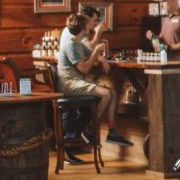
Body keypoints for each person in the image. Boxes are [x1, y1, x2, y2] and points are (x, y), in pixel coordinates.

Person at [57, 13, 134, 148]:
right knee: (106, 94)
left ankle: (112, 131)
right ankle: (89, 128)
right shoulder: (71, 45)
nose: (90, 27)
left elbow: (90, 53)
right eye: (88, 25)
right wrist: (97, 50)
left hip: (77, 82)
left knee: (113, 93)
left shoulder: (77, 43)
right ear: (83, 28)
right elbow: (85, 69)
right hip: (69, 84)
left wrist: (101, 58)